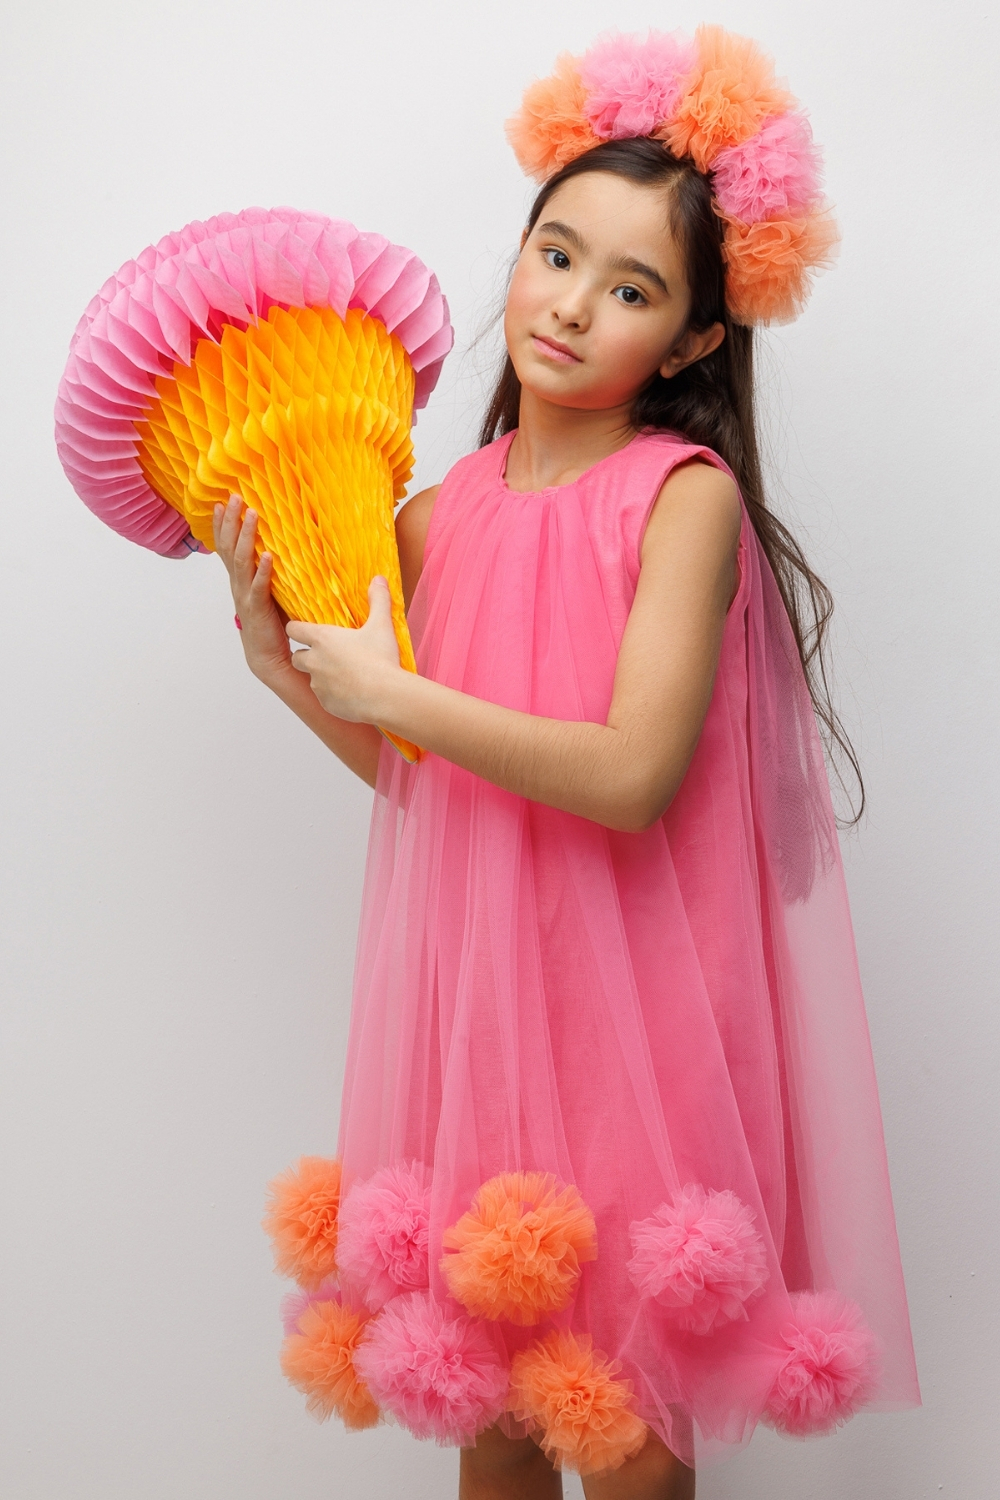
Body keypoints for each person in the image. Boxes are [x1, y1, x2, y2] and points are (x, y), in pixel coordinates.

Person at [213, 28, 919, 1500]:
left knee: (631, 1433)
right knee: (498, 1415)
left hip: (642, 1030)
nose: (575, 304)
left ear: (695, 342)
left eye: (634, 288)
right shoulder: (438, 515)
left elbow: (627, 774)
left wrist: (392, 685)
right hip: (487, 1016)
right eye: (556, 255)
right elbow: (430, 776)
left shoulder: (679, 499)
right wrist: (293, 673)